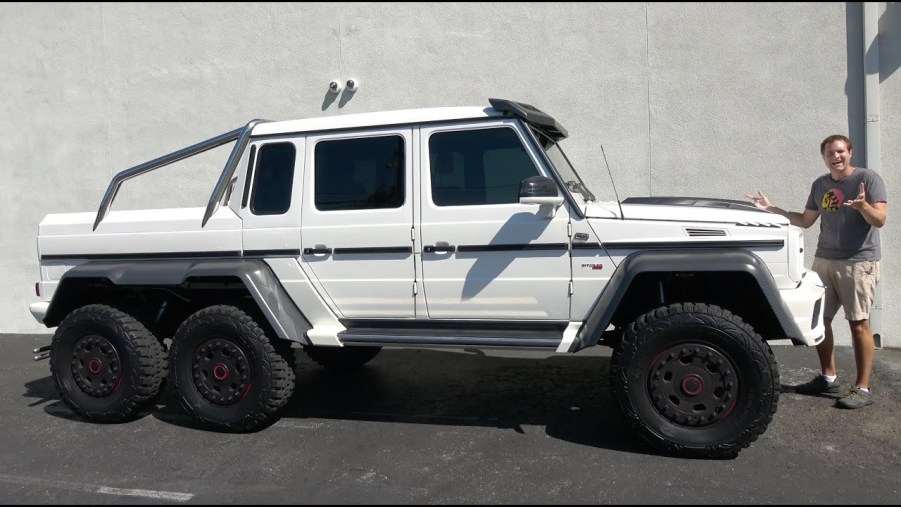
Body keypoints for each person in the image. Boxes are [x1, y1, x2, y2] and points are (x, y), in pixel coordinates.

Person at [746, 134, 887, 409]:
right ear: (824, 157)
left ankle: (863, 387)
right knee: (821, 321)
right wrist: (770, 209)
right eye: (830, 153)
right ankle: (828, 377)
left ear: (850, 152)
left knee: (859, 323)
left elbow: (880, 219)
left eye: (840, 151)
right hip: (824, 260)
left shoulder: (867, 180)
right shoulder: (820, 185)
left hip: (858, 263)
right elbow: (805, 220)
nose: (836, 157)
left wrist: (864, 206)